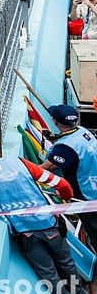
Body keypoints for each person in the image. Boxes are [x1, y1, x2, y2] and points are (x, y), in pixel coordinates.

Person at [0, 155, 90, 294]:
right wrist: (65, 197)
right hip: (48, 224)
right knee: (67, 264)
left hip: (25, 232)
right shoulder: (18, 162)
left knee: (49, 275)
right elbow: (62, 184)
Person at [40, 104, 97, 244]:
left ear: (55, 121)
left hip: (88, 196)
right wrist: (54, 139)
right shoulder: (82, 131)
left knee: (95, 233)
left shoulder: (65, 148)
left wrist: (20, 166)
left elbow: (44, 168)